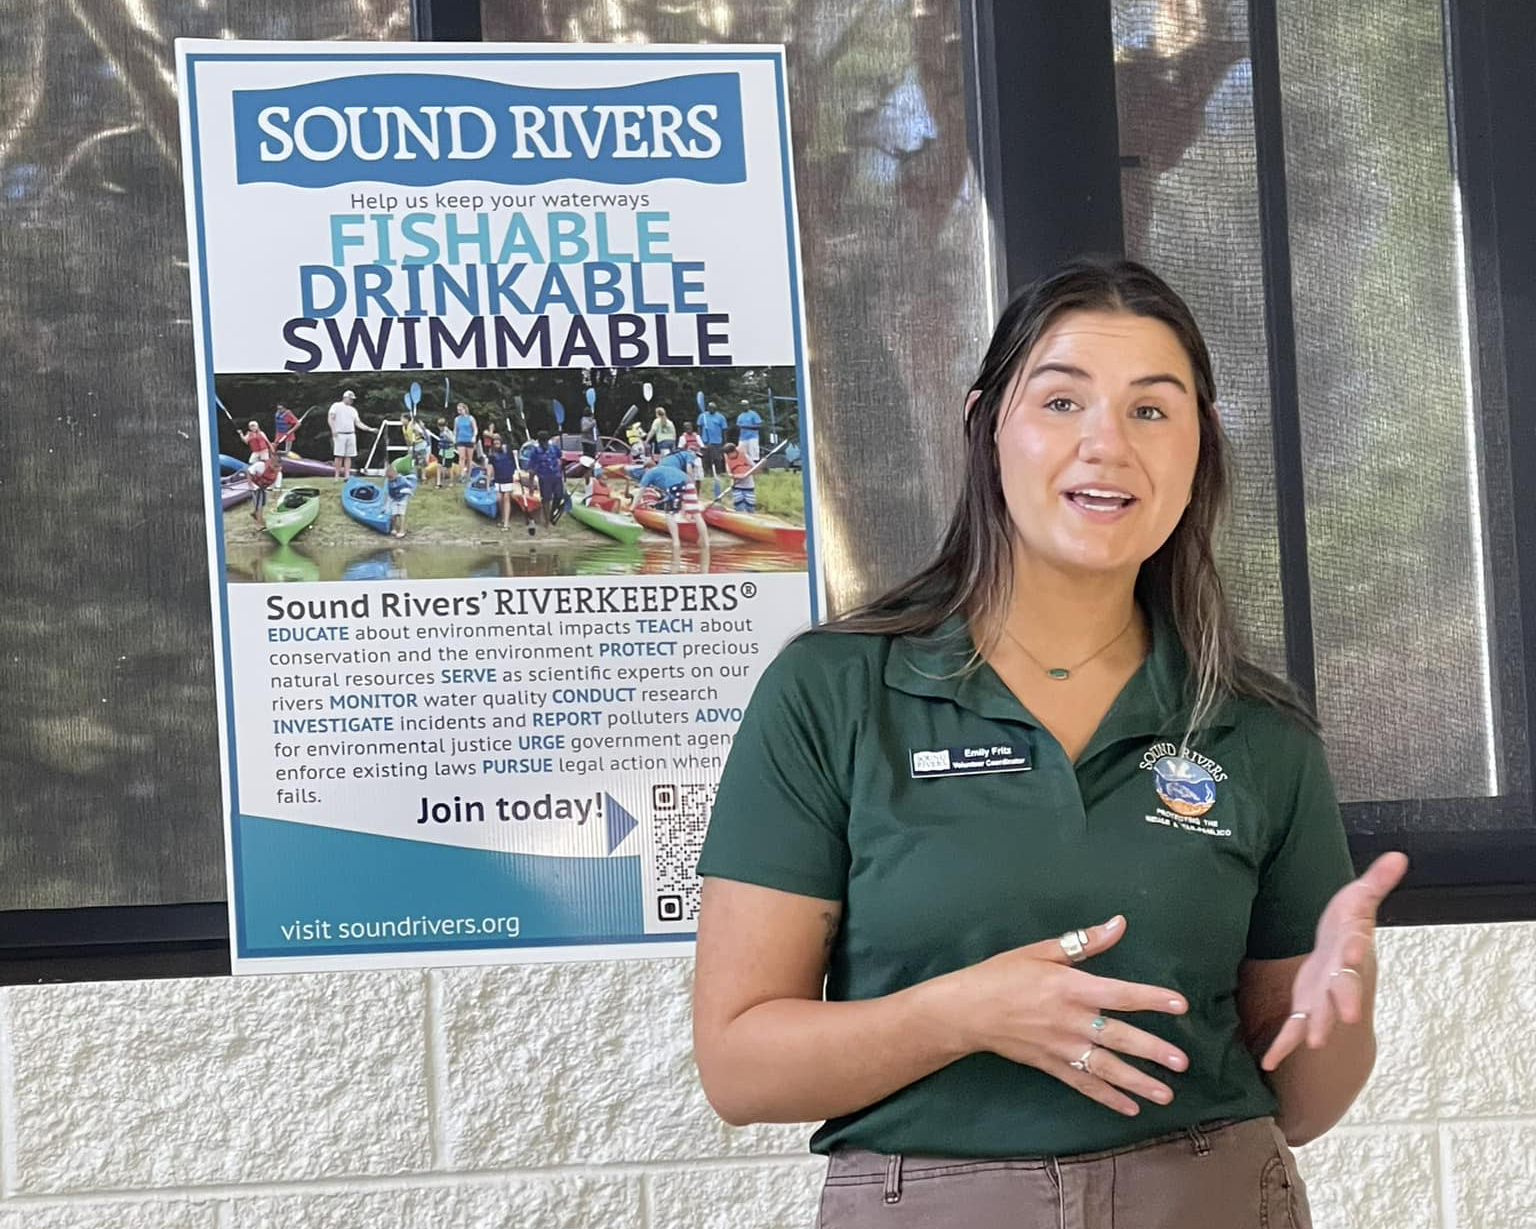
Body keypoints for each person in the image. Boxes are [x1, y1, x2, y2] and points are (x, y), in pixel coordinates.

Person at [691, 259, 1408, 1229]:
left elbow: (1309, 1104)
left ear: (1200, 446)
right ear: (987, 424)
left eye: (1152, 411)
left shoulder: (1254, 728)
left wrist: (1346, 1000)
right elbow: (738, 1065)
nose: (1105, 444)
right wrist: (964, 1012)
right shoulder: (836, 691)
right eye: (1062, 399)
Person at [635, 453, 709, 550]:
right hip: (688, 482)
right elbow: (681, 495)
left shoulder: (650, 473)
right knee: (696, 514)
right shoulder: (665, 469)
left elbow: (641, 491)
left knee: (669, 513)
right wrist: (683, 512)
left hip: (675, 486)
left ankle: (676, 543)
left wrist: (633, 507)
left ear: (646, 468)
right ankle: (706, 542)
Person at [327, 389, 376, 481]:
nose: (351, 401)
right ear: (345, 398)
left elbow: (358, 423)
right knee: (338, 455)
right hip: (340, 434)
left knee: (349, 456)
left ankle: (347, 475)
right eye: (350, 399)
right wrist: (333, 430)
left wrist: (369, 429)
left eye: (352, 399)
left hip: (351, 434)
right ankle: (337, 476)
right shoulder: (336, 406)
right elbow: (330, 418)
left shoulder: (353, 410)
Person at [489, 436, 531, 535]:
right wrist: (488, 480)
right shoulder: (492, 454)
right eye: (495, 443)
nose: (497, 445)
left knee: (506, 498)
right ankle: (503, 519)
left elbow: (515, 453)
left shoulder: (507, 450)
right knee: (499, 499)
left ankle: (506, 523)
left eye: (498, 443)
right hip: (498, 479)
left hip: (507, 478)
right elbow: (490, 467)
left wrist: (515, 453)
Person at [528, 430, 568, 527]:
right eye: (542, 442)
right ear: (539, 441)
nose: (544, 444)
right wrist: (531, 485)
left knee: (559, 495)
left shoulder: (553, 447)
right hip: (544, 477)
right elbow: (531, 469)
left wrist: (563, 461)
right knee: (546, 499)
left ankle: (551, 513)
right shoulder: (535, 451)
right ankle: (547, 520)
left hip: (556, 475)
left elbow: (561, 456)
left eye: (545, 441)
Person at [698, 400, 728, 496]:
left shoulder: (720, 417)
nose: (711, 409)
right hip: (705, 440)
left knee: (717, 458)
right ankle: (707, 473)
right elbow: (699, 427)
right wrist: (700, 439)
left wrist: (724, 442)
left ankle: (718, 473)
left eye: (713, 408)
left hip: (717, 441)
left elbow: (724, 430)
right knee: (705, 458)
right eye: (710, 408)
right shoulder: (703, 416)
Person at [723, 442, 756, 512]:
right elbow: (729, 473)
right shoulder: (728, 460)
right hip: (737, 486)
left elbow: (755, 468)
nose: (728, 456)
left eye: (729, 454)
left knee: (750, 507)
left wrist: (746, 475)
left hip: (749, 486)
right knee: (739, 506)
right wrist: (736, 476)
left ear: (734, 452)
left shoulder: (745, 456)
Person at [245, 454, 278, 526]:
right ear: (271, 463)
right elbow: (248, 471)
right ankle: (259, 522)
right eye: (275, 466)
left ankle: (254, 513)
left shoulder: (278, 473)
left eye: (278, 467)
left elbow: (276, 486)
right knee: (259, 503)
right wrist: (250, 485)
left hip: (263, 487)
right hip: (255, 485)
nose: (277, 469)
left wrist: (273, 491)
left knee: (263, 502)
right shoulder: (260, 465)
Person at [453, 402, 477, 480]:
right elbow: (455, 430)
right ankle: (461, 474)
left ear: (464, 409)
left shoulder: (470, 418)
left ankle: (469, 474)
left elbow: (475, 429)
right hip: (460, 439)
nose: (459, 411)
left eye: (460, 410)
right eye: (458, 410)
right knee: (462, 457)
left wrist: (474, 436)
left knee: (469, 458)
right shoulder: (457, 419)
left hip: (469, 439)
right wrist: (454, 438)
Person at [385, 468, 412, 539]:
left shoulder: (402, 479)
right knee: (393, 514)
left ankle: (402, 530)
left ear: (395, 474)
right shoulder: (389, 481)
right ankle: (394, 528)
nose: (390, 479)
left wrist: (408, 492)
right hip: (394, 498)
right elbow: (389, 491)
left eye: (391, 477)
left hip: (402, 498)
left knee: (401, 514)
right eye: (389, 478)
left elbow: (409, 486)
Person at [433, 417, 457, 488]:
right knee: (439, 465)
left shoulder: (448, 432)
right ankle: (439, 483)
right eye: (439, 426)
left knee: (449, 467)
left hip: (448, 451)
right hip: (442, 451)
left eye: (442, 426)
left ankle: (451, 482)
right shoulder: (441, 431)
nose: (440, 427)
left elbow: (454, 440)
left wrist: (449, 438)